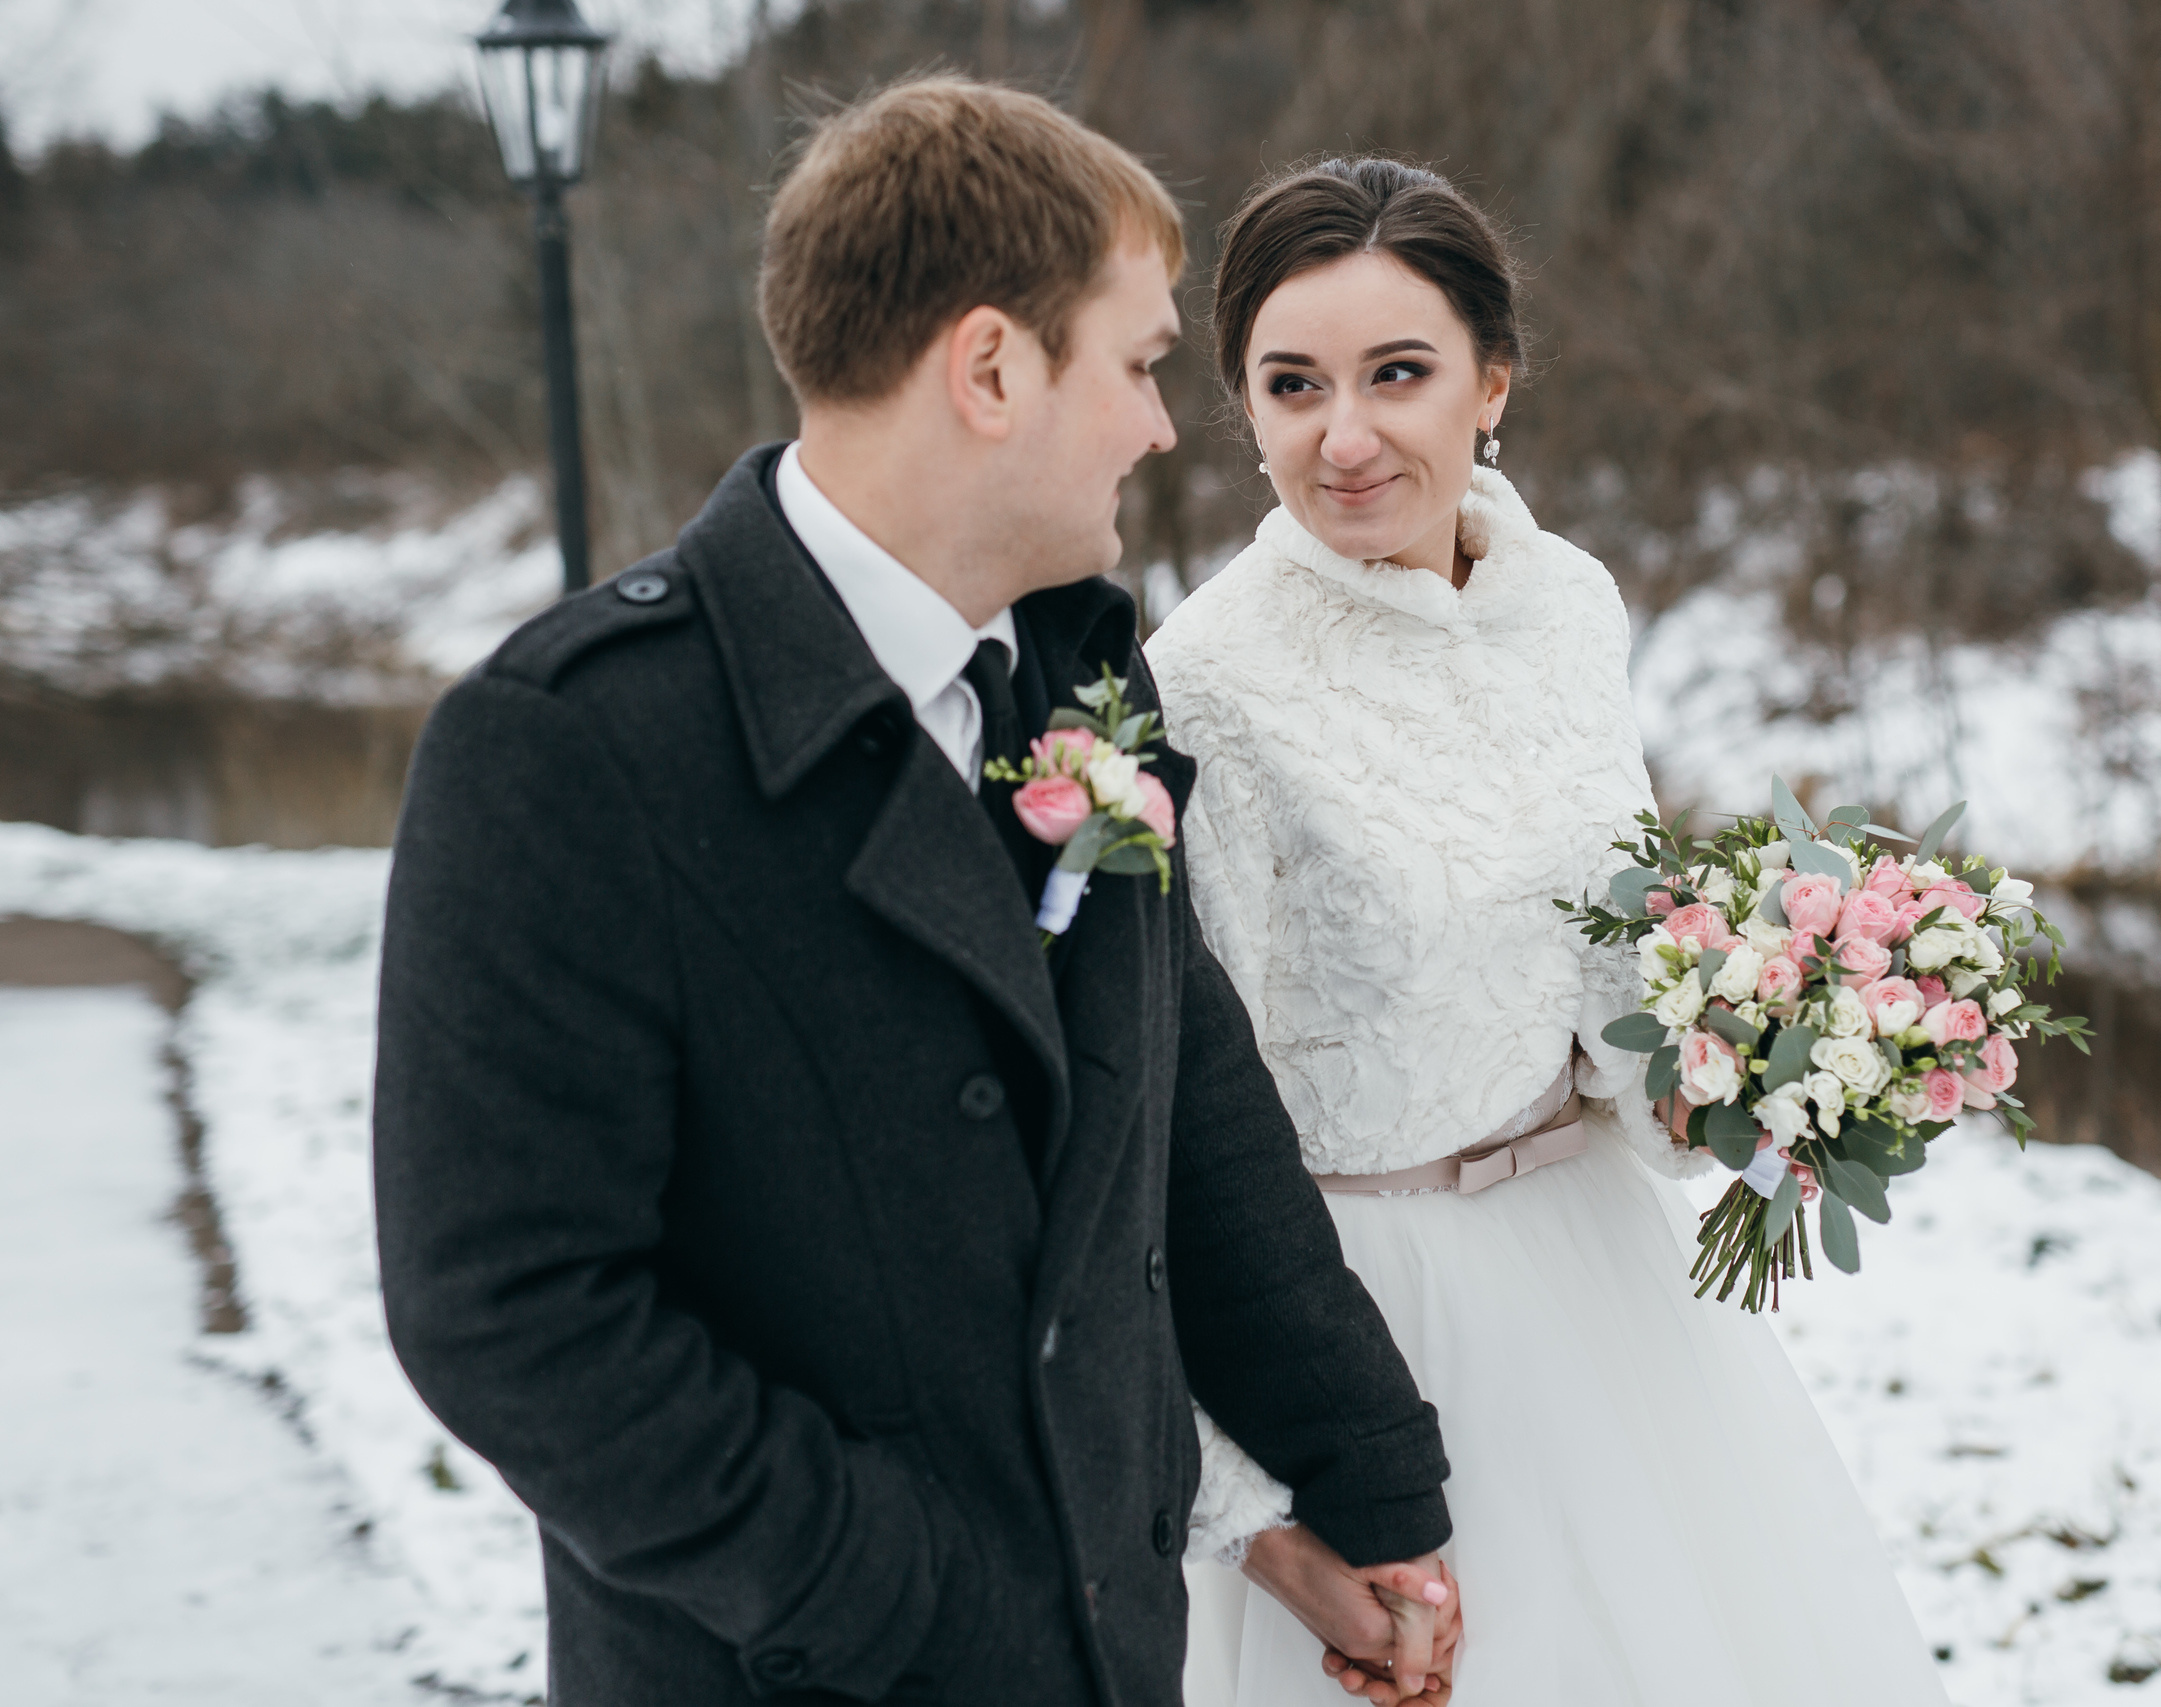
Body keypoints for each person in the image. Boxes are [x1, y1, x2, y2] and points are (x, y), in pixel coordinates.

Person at [372, 83, 1462, 1707]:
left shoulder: (1081, 683)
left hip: (1106, 1655)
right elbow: (510, 1312)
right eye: (1144, 363)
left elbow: (1188, 1123)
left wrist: (1371, 1484)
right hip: (802, 1668)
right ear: (992, 369)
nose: (1166, 426)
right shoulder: (571, 743)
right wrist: (900, 1596)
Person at [1150, 158, 1954, 1707]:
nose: (1347, 436)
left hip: (1601, 1291)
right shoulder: (1204, 690)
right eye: (1292, 384)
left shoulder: (1571, 603)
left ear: (1492, 382)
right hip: (1358, 1333)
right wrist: (1269, 1521)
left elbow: (1612, 959)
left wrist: (1757, 1064)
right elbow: (1178, 1144)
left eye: (1399, 374)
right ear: (1241, 405)